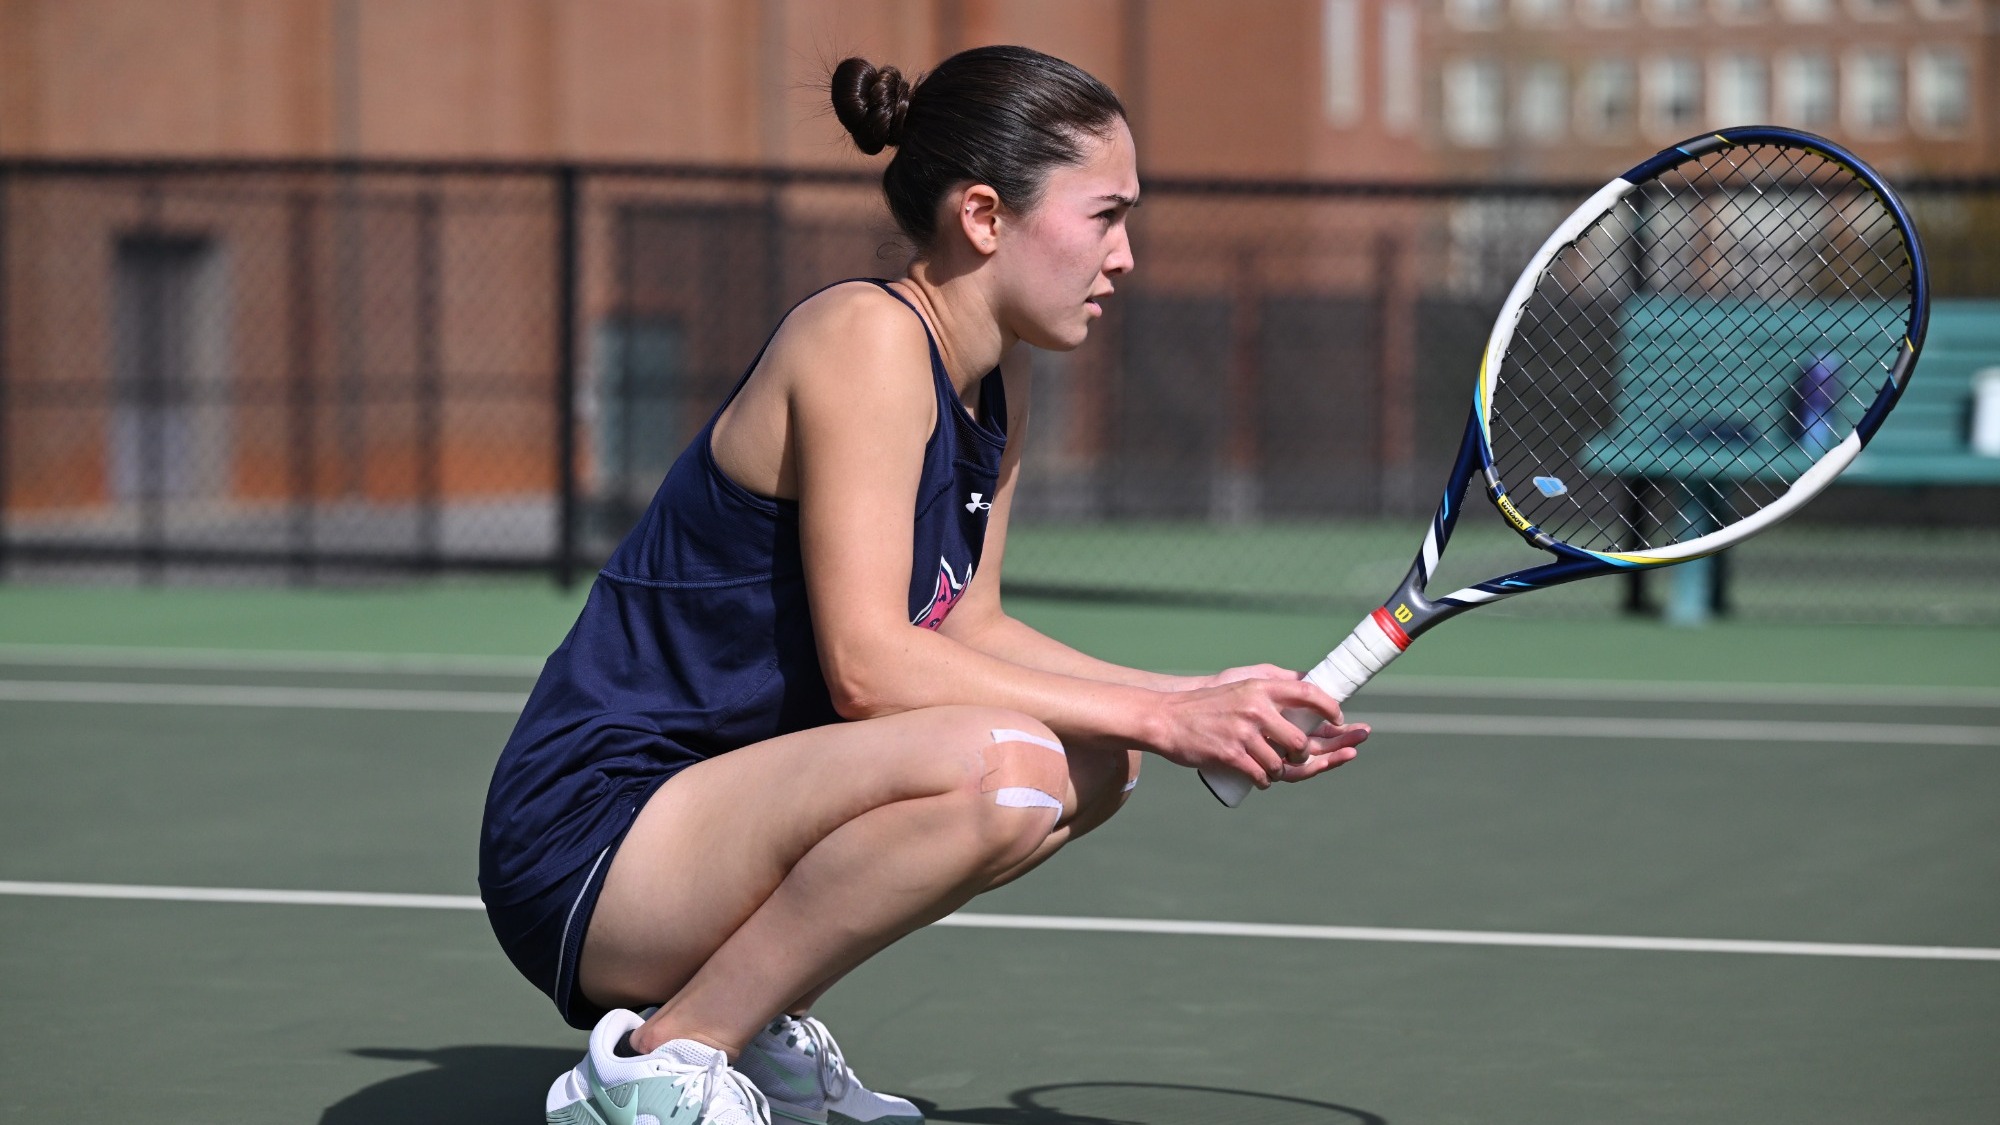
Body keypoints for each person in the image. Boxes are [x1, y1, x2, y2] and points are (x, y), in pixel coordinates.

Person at [479, 45, 1370, 1125]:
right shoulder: (863, 338)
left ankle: (746, 1032)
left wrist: (1187, 702)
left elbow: (970, 627)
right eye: (1103, 215)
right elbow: (868, 664)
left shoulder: (995, 379)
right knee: (1004, 766)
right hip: (593, 840)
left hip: (720, 820)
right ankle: (657, 1064)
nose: (1126, 255)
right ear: (984, 216)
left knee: (1094, 761)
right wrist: (1164, 712)